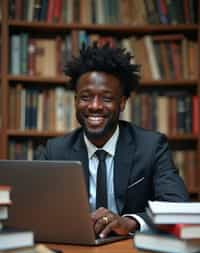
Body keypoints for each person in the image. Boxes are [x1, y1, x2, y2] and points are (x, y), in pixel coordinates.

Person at [35, 43, 189, 239]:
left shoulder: (151, 146)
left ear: (122, 102)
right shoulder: (55, 151)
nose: (95, 106)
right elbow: (37, 210)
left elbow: (177, 205)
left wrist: (130, 222)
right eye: (85, 97)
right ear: (75, 101)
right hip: (77, 251)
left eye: (106, 98)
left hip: (131, 251)